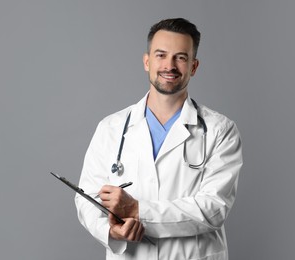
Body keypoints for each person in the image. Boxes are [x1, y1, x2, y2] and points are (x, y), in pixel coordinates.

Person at [75, 18, 243, 260]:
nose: (169, 65)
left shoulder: (220, 130)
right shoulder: (110, 128)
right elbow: (88, 199)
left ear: (193, 67)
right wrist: (111, 231)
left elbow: (213, 209)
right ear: (147, 61)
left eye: (181, 57)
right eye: (161, 55)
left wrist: (136, 210)